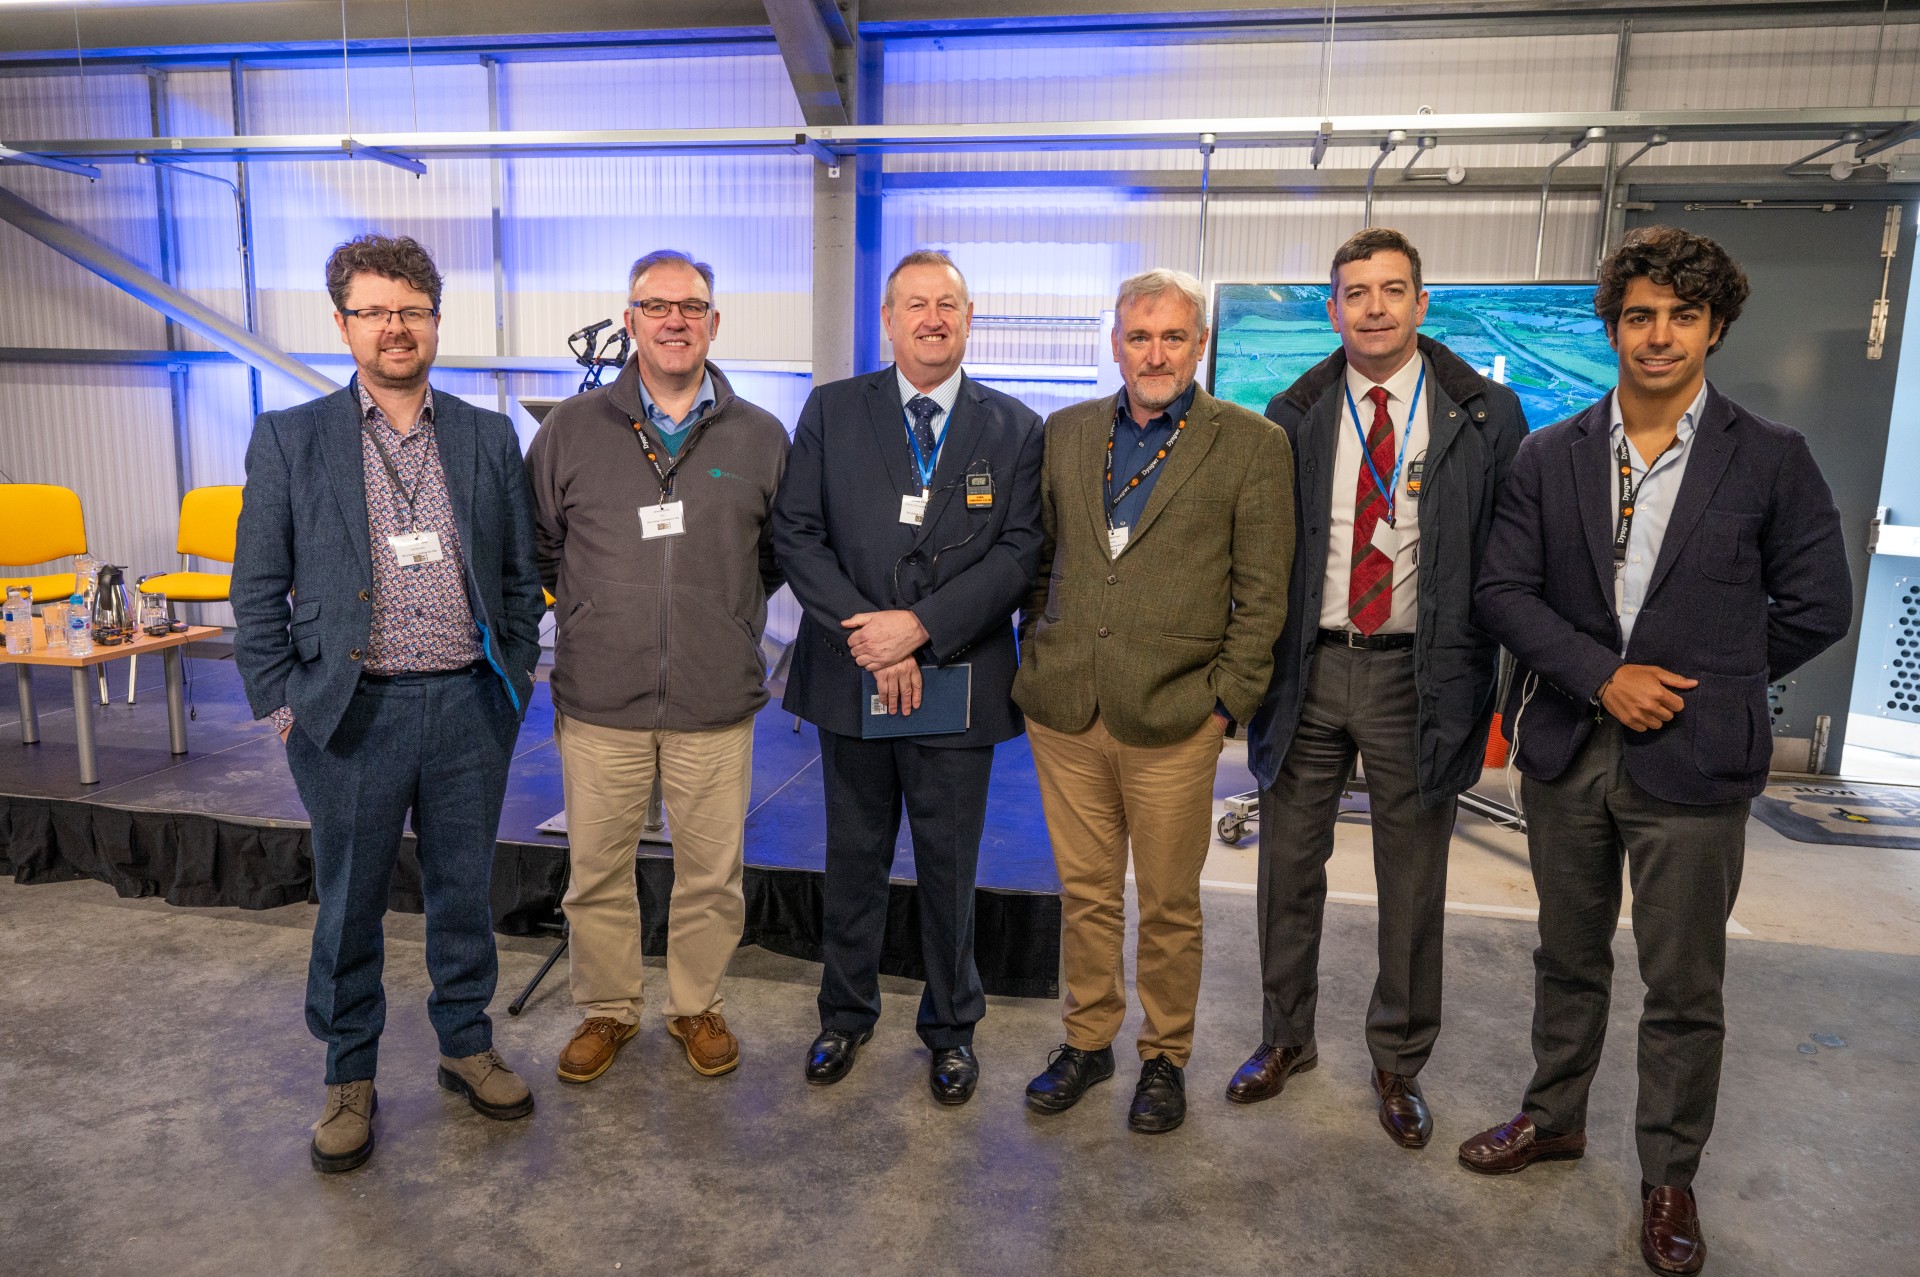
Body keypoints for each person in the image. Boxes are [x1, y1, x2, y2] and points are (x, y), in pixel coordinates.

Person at [1461, 226, 1851, 1275]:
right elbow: (1502, 592)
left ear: (1716, 328)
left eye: (1683, 316)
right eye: (1640, 315)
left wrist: (1715, 674)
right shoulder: (1552, 455)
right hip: (1568, 749)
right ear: (1614, 326)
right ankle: (1554, 1117)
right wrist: (1602, 675)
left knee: (1684, 985)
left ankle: (1668, 1176)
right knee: (1566, 956)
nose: (1660, 335)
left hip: (1696, 758)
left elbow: (1821, 604)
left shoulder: (1771, 457)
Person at [232, 234, 545, 1174]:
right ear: (343, 326)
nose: (394, 327)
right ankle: (348, 1073)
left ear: (436, 322)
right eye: (373, 311)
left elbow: (521, 578)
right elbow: (257, 590)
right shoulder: (291, 437)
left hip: (466, 710)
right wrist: (285, 708)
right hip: (347, 715)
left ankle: (465, 1043)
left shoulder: (488, 435)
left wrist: (514, 680)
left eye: (410, 310)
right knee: (350, 903)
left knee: (461, 892)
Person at [1231, 228, 1526, 1148]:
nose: (1374, 307)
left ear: (1421, 302)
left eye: (1392, 290)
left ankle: (1399, 1060)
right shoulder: (1295, 411)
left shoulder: (1486, 414)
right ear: (1333, 308)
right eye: (1355, 292)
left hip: (1420, 674)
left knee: (1413, 882)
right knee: (1286, 869)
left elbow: (1508, 561)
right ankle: (1285, 1037)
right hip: (1309, 668)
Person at [1014, 267, 1293, 1134]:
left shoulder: (1250, 444)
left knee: (1168, 903)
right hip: (1067, 712)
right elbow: (1037, 560)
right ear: (1116, 344)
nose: (1156, 352)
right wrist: (1041, 645)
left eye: (1174, 336)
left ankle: (1164, 1054)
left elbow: (1264, 596)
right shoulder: (1065, 433)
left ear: (1199, 344)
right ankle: (1088, 1040)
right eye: (1140, 336)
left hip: (1177, 719)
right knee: (1086, 893)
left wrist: (1224, 707)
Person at [772, 249, 1043, 1105]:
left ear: (970, 320)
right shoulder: (830, 411)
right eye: (915, 304)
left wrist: (919, 629)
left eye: (949, 305)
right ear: (887, 320)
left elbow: (1021, 552)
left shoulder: (1016, 428)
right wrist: (871, 636)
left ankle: (952, 1029)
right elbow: (797, 536)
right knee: (852, 858)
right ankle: (844, 1015)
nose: (932, 318)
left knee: (949, 867)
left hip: (958, 682)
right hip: (852, 671)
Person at [526, 250, 790, 1085]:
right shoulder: (569, 431)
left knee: (711, 874)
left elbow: (773, 556)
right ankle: (607, 1008)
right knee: (596, 868)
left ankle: (694, 1004)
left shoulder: (760, 436)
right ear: (630, 319)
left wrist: (721, 617)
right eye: (656, 305)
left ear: (715, 322)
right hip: (600, 696)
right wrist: (603, 615)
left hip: (714, 697)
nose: (675, 320)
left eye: (692, 306)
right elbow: (539, 548)